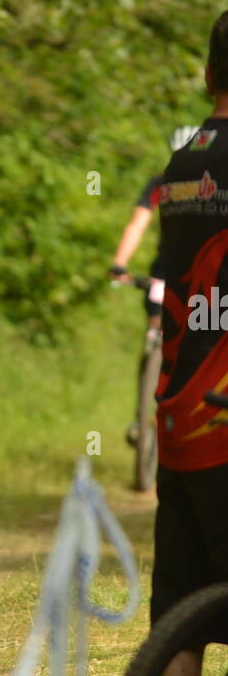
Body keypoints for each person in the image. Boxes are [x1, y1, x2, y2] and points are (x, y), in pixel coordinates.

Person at [146, 12, 228, 676]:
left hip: (181, 418)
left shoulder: (179, 166)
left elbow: (174, 292)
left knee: (180, 606)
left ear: (209, 77)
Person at [109, 125, 198, 446]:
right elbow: (137, 224)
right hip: (165, 271)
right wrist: (120, 263)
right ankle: (142, 415)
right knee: (155, 331)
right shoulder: (160, 184)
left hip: (203, 274)